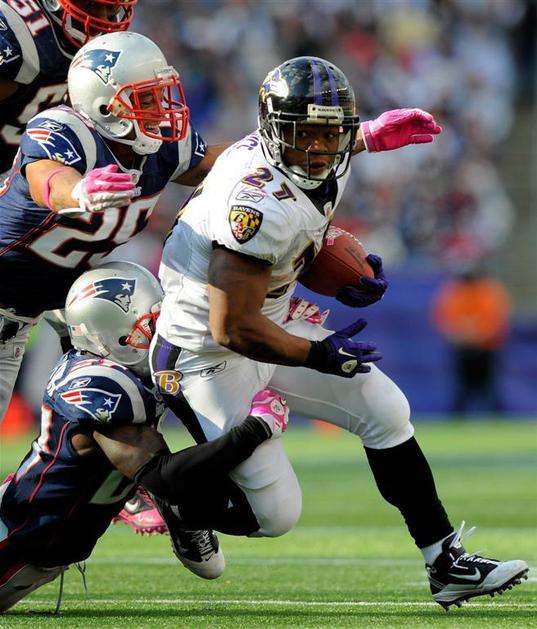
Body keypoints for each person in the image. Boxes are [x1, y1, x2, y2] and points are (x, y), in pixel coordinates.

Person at [149, 56, 528, 609]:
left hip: (267, 316)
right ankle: (175, 501)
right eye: (305, 134)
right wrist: (320, 353)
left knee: (386, 410)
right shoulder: (252, 201)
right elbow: (231, 326)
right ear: (273, 130)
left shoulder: (334, 152)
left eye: (333, 134)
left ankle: (445, 562)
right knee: (275, 515)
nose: (319, 149)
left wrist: (368, 138)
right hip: (204, 351)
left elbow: (332, 155)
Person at [0, 29, 230, 533]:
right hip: (6, 296)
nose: (163, 109)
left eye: (162, 94)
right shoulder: (64, 130)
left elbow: (223, 164)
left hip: (49, 295)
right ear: (105, 105)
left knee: (138, 333)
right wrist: (79, 190)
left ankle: (147, 486)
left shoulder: (161, 146)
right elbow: (45, 177)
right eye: (146, 99)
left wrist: (292, 151)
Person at [0, 261, 290, 614]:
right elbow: (165, 476)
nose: (164, 330)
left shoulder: (104, 354)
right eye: (152, 324)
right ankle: (150, 501)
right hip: (20, 538)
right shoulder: (103, 386)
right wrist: (256, 429)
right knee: (180, 486)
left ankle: (145, 500)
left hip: (38, 524)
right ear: (120, 338)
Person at [0, 0, 138, 175]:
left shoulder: (111, 44)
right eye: (93, 5)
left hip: (36, 168)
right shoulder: (16, 29)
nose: (104, 19)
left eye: (111, 7)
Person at [431, 267, 511, 414]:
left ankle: (494, 415)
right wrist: (464, 336)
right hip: (465, 349)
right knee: (464, 388)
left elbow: (495, 322)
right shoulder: (456, 293)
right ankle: (461, 416)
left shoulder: (486, 292)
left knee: (487, 387)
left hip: (485, 348)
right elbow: (446, 321)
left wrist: (473, 335)